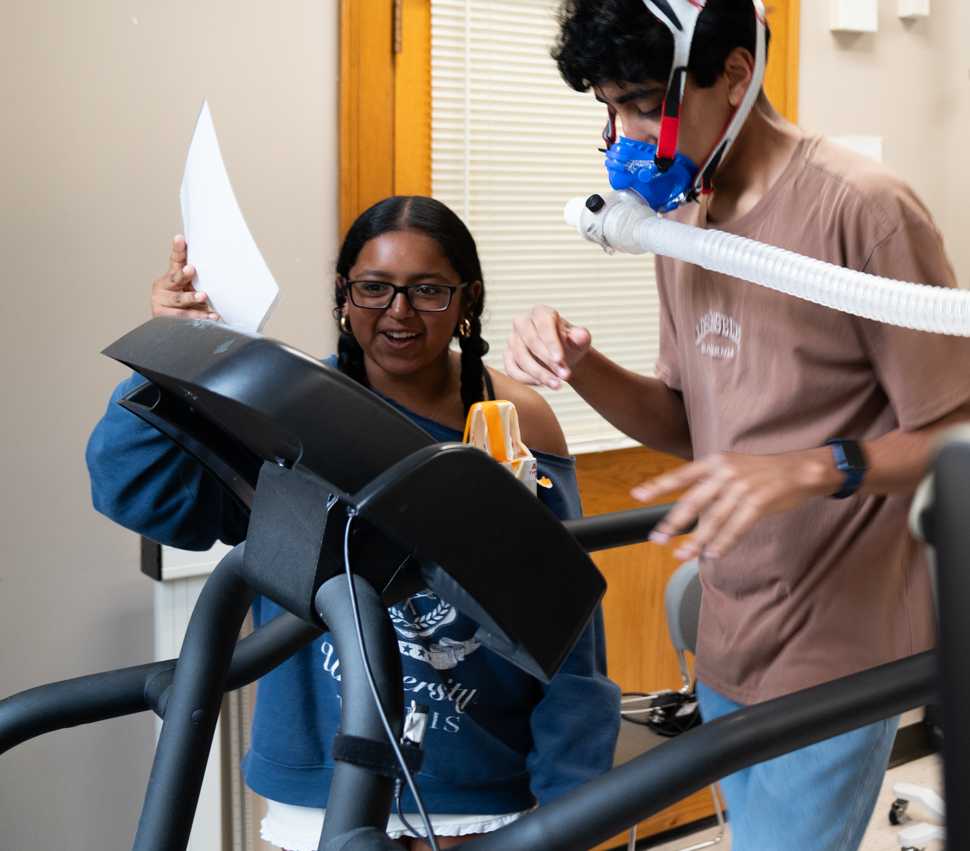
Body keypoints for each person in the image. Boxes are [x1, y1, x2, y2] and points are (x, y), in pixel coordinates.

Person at [506, 0, 970, 851]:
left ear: (734, 74)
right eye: (610, 109)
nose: (624, 137)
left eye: (643, 104)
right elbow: (692, 423)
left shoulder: (862, 208)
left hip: (835, 642)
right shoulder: (686, 221)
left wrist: (813, 469)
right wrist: (583, 366)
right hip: (736, 623)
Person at [87, 197, 620, 849]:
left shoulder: (515, 420)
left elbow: (569, 637)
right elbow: (137, 496)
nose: (398, 312)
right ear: (345, 295)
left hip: (475, 791)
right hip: (318, 779)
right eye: (374, 288)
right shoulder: (287, 407)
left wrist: (572, 807)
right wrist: (171, 353)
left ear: (466, 298)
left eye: (427, 290)